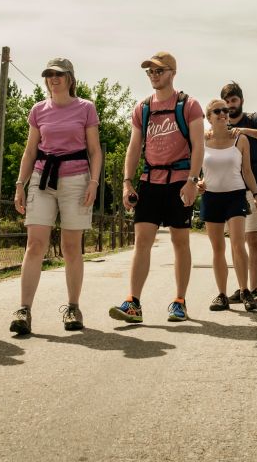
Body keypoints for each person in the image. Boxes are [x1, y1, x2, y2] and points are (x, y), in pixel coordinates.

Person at [109, 52, 204, 323]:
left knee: (180, 241)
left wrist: (191, 181)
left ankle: (179, 301)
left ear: (172, 72)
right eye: (150, 71)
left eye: (159, 70)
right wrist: (128, 182)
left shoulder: (190, 105)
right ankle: (133, 303)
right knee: (142, 242)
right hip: (150, 181)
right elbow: (134, 146)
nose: (153, 75)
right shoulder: (143, 109)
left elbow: (199, 145)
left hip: (179, 180)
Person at [10, 58, 102, 335]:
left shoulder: (86, 108)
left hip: (76, 178)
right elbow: (30, 151)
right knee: (35, 245)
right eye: (49, 74)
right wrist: (19, 184)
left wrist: (94, 182)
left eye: (59, 74)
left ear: (70, 78)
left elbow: (95, 151)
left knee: (71, 247)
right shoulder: (38, 110)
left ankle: (73, 307)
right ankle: (24, 310)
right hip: (42, 178)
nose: (54, 78)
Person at [200, 99, 257, 313]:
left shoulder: (240, 139)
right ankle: (221, 294)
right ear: (208, 117)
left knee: (238, 244)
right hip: (211, 197)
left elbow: (247, 171)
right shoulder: (200, 140)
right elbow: (195, 171)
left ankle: (245, 291)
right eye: (217, 111)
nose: (223, 114)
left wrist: (255, 194)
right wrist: (196, 183)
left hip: (235, 195)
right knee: (218, 248)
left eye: (225, 111)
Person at [220, 82, 257, 307]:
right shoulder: (219, 125)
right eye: (226, 102)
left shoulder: (254, 119)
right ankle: (243, 288)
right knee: (236, 241)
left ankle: (254, 289)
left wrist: (243, 131)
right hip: (229, 188)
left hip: (256, 187)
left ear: (241, 101)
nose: (230, 106)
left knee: (254, 239)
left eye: (233, 101)